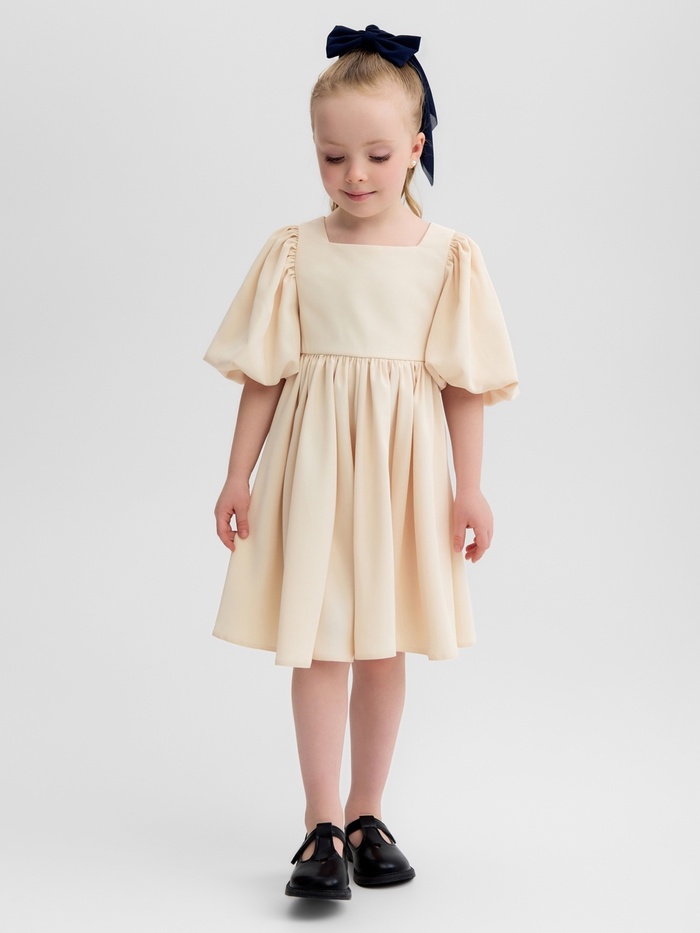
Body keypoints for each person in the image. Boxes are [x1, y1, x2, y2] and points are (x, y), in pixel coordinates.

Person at [203, 24, 518, 901]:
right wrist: (237, 473)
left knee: (383, 644)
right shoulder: (296, 250)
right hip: (314, 471)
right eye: (333, 156)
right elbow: (265, 373)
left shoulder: (446, 256)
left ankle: (367, 810)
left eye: (378, 156)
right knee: (319, 641)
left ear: (415, 147)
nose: (355, 175)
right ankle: (320, 822)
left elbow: (464, 383)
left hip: (401, 477)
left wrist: (470, 488)